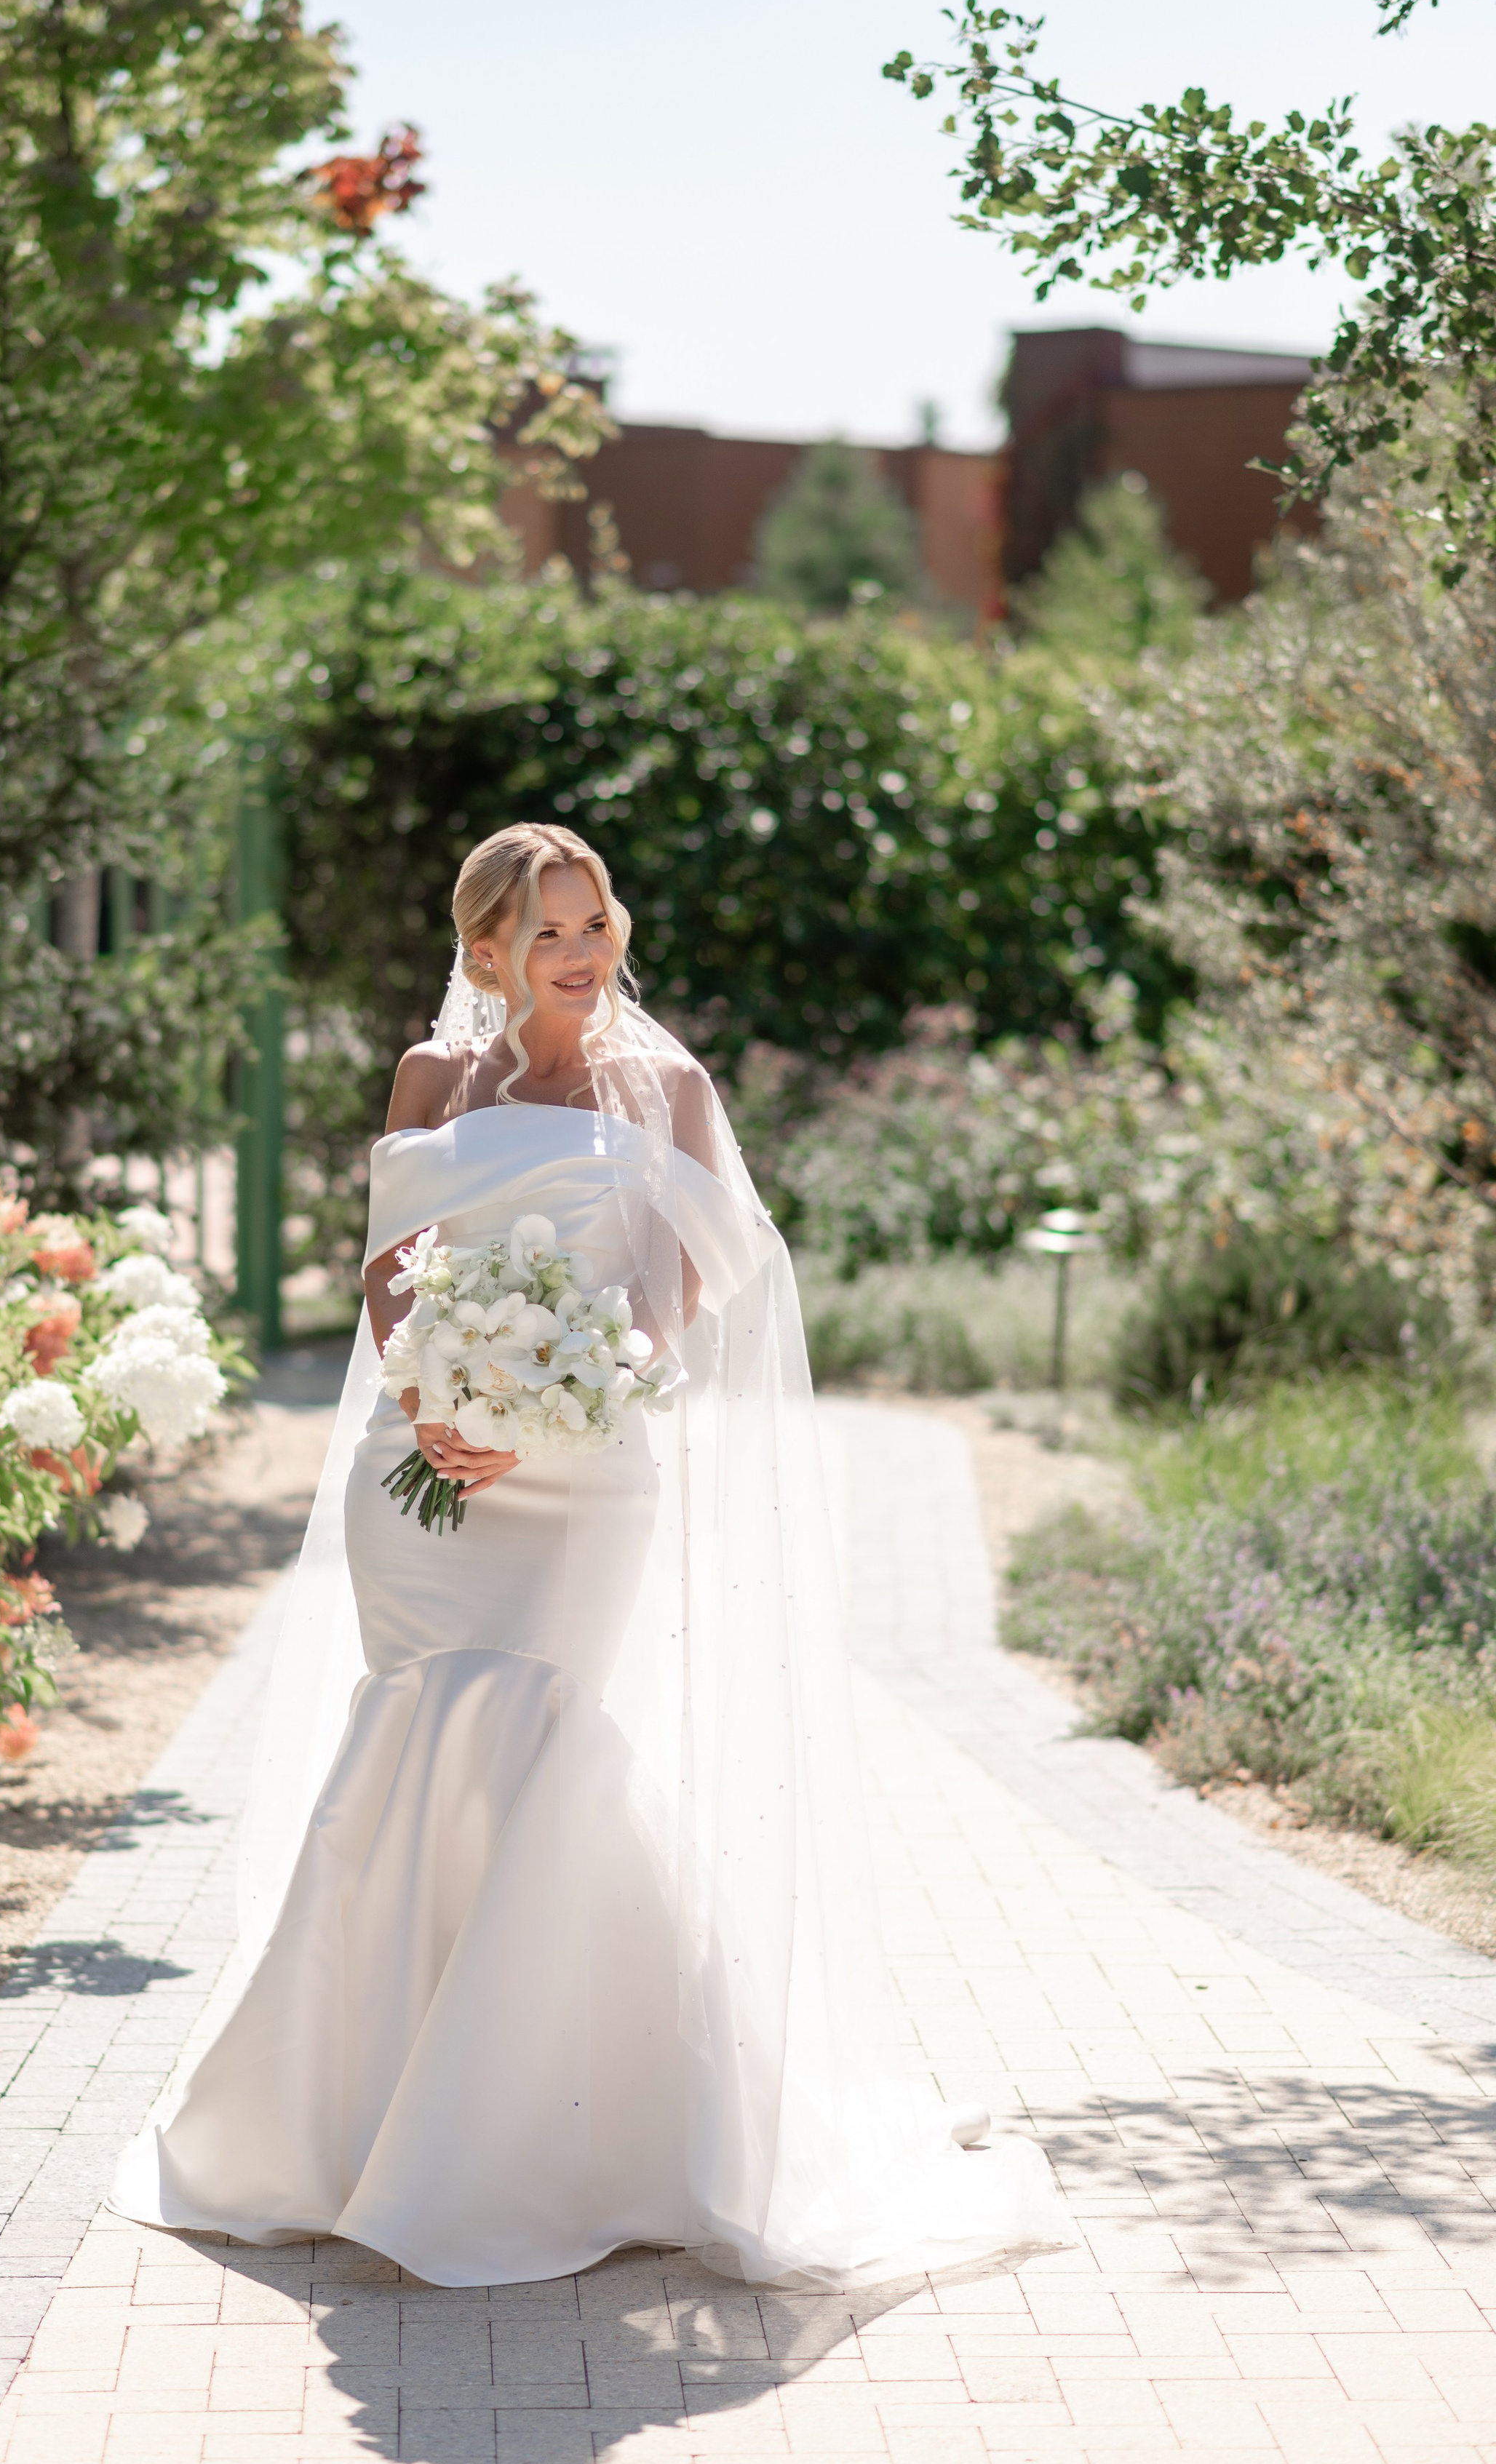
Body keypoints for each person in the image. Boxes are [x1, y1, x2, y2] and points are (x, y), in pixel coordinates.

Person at [111, 821, 1070, 2288]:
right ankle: (350, 2125)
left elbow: (689, 1286)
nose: (579, 952)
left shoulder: (665, 1085)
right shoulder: (433, 1078)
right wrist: (435, 1407)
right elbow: (389, 1268)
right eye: (547, 929)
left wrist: (563, 1395)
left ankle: (548, 2139)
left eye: (595, 922)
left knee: (544, 1746)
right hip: (421, 1476)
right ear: (485, 947)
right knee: (410, 1741)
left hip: (586, 1472)